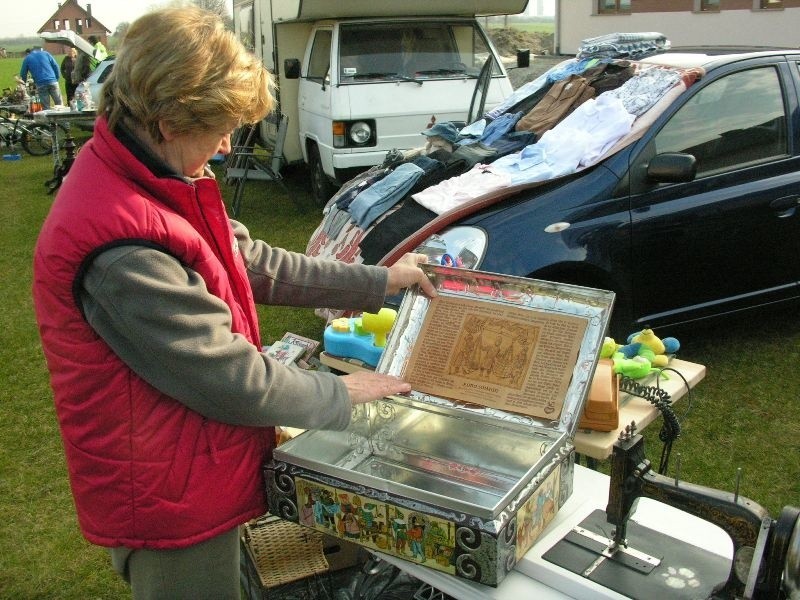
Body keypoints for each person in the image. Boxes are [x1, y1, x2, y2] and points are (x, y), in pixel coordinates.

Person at [31, 6, 436, 599]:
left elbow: (259, 265)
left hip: (197, 466)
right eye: (220, 126)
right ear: (167, 120)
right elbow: (230, 379)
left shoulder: (159, 181)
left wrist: (380, 280)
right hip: (170, 500)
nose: (226, 144)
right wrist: (341, 394)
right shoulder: (121, 244)